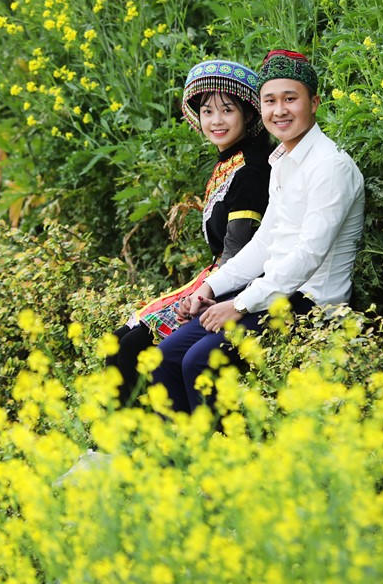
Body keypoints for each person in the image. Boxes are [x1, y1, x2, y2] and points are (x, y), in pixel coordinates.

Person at [148, 49, 364, 414]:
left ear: (314, 103)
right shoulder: (281, 162)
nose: (279, 111)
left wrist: (239, 304)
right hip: (271, 293)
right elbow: (264, 243)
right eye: (270, 101)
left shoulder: (331, 166)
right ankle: (185, 448)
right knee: (167, 356)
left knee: (201, 361)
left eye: (290, 99)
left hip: (311, 303)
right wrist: (209, 289)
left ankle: (224, 447)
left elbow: (308, 256)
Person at [107, 58, 273, 405]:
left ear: (248, 114)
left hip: (236, 285)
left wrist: (202, 295)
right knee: (120, 341)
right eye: (207, 111)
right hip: (219, 277)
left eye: (227, 110)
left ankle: (144, 433)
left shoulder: (252, 168)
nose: (216, 120)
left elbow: (238, 251)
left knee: (132, 347)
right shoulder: (231, 161)